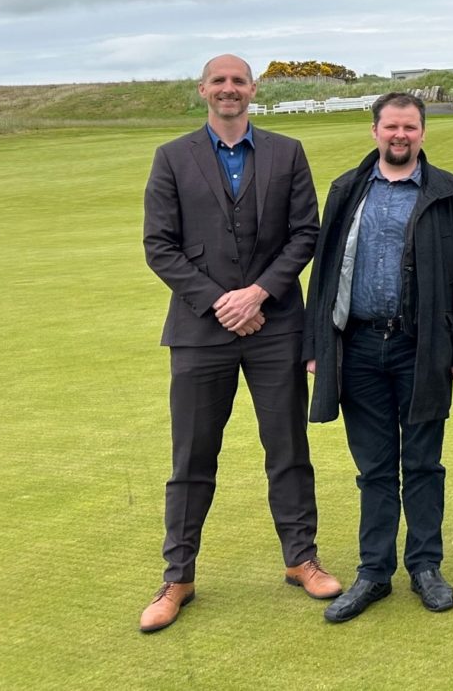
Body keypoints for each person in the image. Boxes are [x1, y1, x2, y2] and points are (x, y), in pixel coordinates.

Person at [139, 54, 338, 633]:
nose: (229, 89)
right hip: (201, 331)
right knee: (193, 458)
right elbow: (160, 245)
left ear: (253, 89)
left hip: (275, 326)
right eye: (219, 81)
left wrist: (257, 294)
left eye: (238, 81)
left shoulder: (287, 152)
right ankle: (178, 577)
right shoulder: (173, 157)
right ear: (203, 90)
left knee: (288, 449)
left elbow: (306, 233)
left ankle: (301, 559)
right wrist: (221, 302)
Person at [302, 92, 453, 622]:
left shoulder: (452, 193)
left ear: (423, 132)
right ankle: (373, 573)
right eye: (390, 127)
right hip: (357, 346)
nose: (399, 136)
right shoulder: (346, 190)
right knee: (375, 467)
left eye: (409, 127)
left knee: (423, 463)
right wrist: (316, 345)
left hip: (421, 348)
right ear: (375, 131)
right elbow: (324, 272)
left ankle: (426, 566)